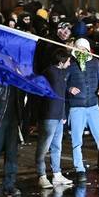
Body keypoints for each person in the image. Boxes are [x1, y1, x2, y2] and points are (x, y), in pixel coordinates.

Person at [67, 38, 99, 182]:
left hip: (93, 106)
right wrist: (69, 88)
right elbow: (62, 82)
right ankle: (79, 168)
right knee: (77, 139)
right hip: (77, 107)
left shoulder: (95, 62)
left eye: (84, 49)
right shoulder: (70, 63)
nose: (82, 51)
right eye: (79, 49)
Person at [36, 49, 73, 189]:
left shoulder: (63, 73)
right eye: (68, 61)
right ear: (60, 61)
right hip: (48, 115)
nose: (69, 64)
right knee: (43, 147)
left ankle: (57, 174)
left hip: (58, 116)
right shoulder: (48, 73)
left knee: (57, 146)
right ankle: (42, 175)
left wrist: (63, 114)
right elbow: (41, 94)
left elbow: (62, 96)